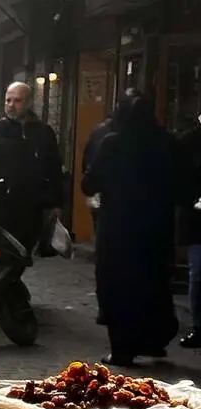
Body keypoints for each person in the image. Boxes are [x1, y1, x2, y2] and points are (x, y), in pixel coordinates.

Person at [82, 94, 179, 365]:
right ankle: (153, 340)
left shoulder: (113, 143)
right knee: (153, 283)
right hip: (156, 228)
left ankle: (122, 349)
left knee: (118, 285)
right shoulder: (166, 142)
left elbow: (89, 183)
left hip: (118, 229)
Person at [0, 81, 64, 256]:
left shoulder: (43, 132)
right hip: (1, 207)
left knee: (23, 255)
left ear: (28, 103)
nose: (11, 105)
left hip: (31, 208)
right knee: (1, 258)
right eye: (7, 100)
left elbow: (54, 167)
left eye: (17, 101)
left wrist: (55, 202)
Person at [175, 111, 201, 349]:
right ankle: (199, 326)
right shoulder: (188, 142)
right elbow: (178, 181)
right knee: (198, 273)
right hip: (198, 219)